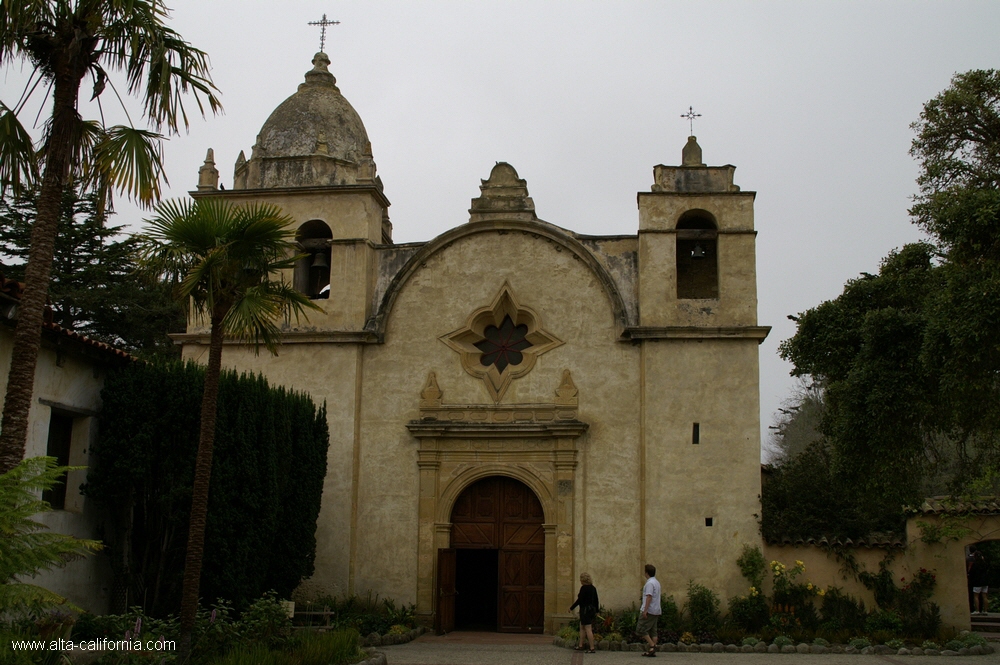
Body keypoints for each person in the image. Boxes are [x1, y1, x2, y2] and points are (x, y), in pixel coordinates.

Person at [569, 572, 599, 653]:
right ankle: (581, 645)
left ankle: (592, 648)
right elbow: (596, 600)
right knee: (582, 627)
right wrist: (597, 611)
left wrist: (571, 608)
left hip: (585, 610)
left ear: (583, 580)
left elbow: (579, 600)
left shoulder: (584, 588)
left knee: (588, 629)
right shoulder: (593, 588)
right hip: (591, 610)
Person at [637, 564, 661, 657]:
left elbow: (649, 596)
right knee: (653, 631)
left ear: (646, 573)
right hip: (656, 609)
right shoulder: (657, 582)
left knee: (641, 628)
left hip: (650, 610)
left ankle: (652, 645)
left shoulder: (650, 583)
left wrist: (645, 610)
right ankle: (652, 650)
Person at [969, 545, 990, 615]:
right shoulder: (984, 564)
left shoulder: (975, 564)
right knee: (984, 596)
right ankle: (986, 610)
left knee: (976, 596)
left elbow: (971, 572)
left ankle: (977, 610)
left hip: (977, 581)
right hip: (985, 581)